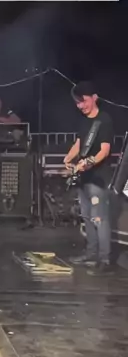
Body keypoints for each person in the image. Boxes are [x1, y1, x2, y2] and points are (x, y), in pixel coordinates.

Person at [63, 81, 114, 271]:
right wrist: (68, 158)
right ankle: (91, 253)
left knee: (99, 218)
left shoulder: (104, 120)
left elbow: (104, 151)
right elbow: (79, 144)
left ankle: (104, 259)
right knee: (86, 216)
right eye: (77, 103)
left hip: (98, 178)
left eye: (83, 101)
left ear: (94, 98)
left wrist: (88, 162)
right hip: (84, 177)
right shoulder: (83, 121)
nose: (80, 106)